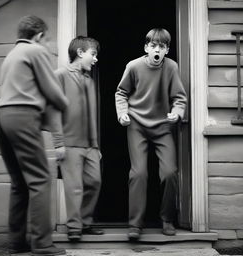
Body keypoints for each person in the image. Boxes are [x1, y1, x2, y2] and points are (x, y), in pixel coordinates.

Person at [0, 15, 68, 255]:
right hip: (22, 116)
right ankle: (42, 243)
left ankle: (16, 242)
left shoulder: (12, 55)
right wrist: (65, 103)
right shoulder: (35, 51)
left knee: (19, 183)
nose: (47, 45)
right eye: (47, 39)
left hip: (2, 117)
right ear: (38, 36)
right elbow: (53, 91)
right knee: (39, 180)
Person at [115, 28, 187, 240]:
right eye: (153, 46)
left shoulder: (172, 67)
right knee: (138, 174)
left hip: (162, 126)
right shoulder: (134, 66)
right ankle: (135, 224)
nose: (157, 50)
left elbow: (179, 97)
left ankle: (167, 219)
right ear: (146, 48)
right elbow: (121, 92)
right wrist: (122, 113)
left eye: (162, 47)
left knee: (169, 172)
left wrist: (177, 113)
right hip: (137, 124)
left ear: (167, 50)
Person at [51, 36, 104, 241]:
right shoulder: (60, 75)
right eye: (93, 54)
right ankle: (74, 227)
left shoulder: (89, 82)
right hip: (69, 143)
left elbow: (92, 115)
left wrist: (96, 145)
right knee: (74, 187)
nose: (95, 59)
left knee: (94, 181)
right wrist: (58, 143)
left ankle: (85, 222)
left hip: (89, 145)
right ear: (80, 53)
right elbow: (54, 111)